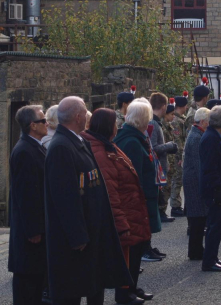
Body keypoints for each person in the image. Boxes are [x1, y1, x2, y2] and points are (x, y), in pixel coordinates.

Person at [44, 97, 131, 305]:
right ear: (78, 116)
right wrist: (77, 236)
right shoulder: (61, 147)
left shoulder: (78, 141)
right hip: (74, 240)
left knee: (93, 284)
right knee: (70, 293)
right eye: (85, 112)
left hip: (92, 230)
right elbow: (65, 198)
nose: (87, 116)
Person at [82, 109, 151, 305]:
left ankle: (129, 291)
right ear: (107, 126)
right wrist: (120, 221)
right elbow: (110, 190)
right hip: (123, 210)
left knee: (133, 253)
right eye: (114, 123)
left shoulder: (108, 145)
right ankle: (124, 295)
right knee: (123, 257)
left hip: (130, 207)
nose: (117, 127)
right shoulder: (100, 150)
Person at [9, 105, 49, 305]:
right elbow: (26, 194)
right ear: (33, 125)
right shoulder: (25, 150)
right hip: (30, 234)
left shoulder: (34, 146)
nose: (47, 124)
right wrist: (34, 229)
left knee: (35, 283)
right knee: (27, 286)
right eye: (43, 121)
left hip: (36, 230)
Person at [114, 99, 163, 263]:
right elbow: (135, 176)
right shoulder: (132, 142)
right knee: (137, 237)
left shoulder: (134, 137)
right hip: (138, 197)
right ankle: (143, 251)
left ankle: (144, 249)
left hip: (144, 193)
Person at [199, 105, 221, 272]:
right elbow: (210, 167)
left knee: (218, 226)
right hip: (214, 190)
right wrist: (217, 189)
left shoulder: (215, 136)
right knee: (214, 226)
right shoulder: (211, 139)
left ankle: (213, 257)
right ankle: (209, 260)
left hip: (219, 189)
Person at [183, 107, 210, 261]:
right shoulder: (196, 138)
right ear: (204, 121)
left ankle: (197, 249)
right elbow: (198, 164)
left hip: (193, 181)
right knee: (197, 220)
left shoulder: (197, 135)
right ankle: (195, 251)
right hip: (194, 183)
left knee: (198, 220)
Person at [148, 93, 178, 223]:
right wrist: (169, 146)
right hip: (157, 166)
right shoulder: (153, 123)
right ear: (164, 106)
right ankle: (159, 213)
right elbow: (153, 148)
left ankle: (160, 212)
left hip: (160, 164)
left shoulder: (155, 122)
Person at [169, 94, 188, 217]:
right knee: (177, 180)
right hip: (177, 155)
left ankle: (176, 204)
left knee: (178, 180)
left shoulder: (180, 119)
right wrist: (181, 156)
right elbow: (178, 140)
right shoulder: (177, 121)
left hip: (178, 154)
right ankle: (175, 205)